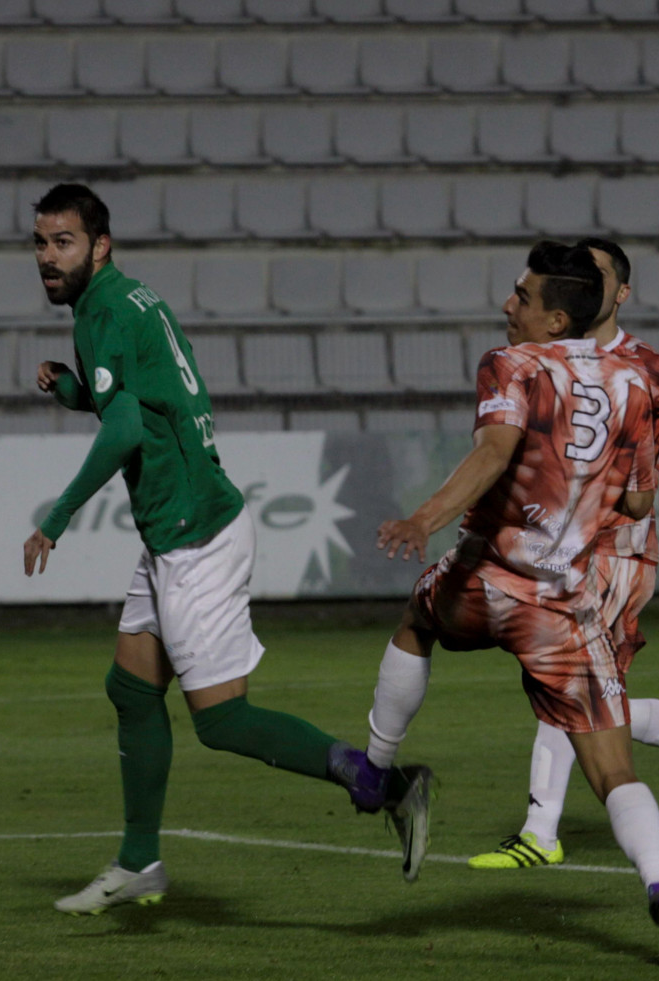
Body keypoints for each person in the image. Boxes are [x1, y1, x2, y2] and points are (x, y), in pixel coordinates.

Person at [334, 241, 659, 967]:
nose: (506, 305)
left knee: (413, 622)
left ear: (553, 316)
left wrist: (421, 519)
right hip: (563, 606)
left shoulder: (511, 364)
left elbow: (494, 450)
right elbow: (638, 494)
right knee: (615, 773)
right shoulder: (633, 380)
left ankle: (375, 769)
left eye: (519, 297)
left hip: (485, 578)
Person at [22, 183, 428, 915]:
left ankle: (378, 780)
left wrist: (58, 515)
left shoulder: (106, 307)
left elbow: (123, 432)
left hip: (193, 535)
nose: (49, 258)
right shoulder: (118, 302)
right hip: (176, 528)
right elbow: (132, 401)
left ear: (100, 246)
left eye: (64, 243)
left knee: (221, 720)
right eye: (42, 243)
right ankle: (139, 860)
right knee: (131, 689)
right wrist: (74, 392)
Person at [467, 238, 659, 871]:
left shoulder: (648, 367)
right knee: (589, 697)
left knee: (567, 684)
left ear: (619, 291)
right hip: (561, 550)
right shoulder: (541, 358)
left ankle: (540, 832)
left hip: (618, 553)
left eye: (598, 273)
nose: (583, 279)